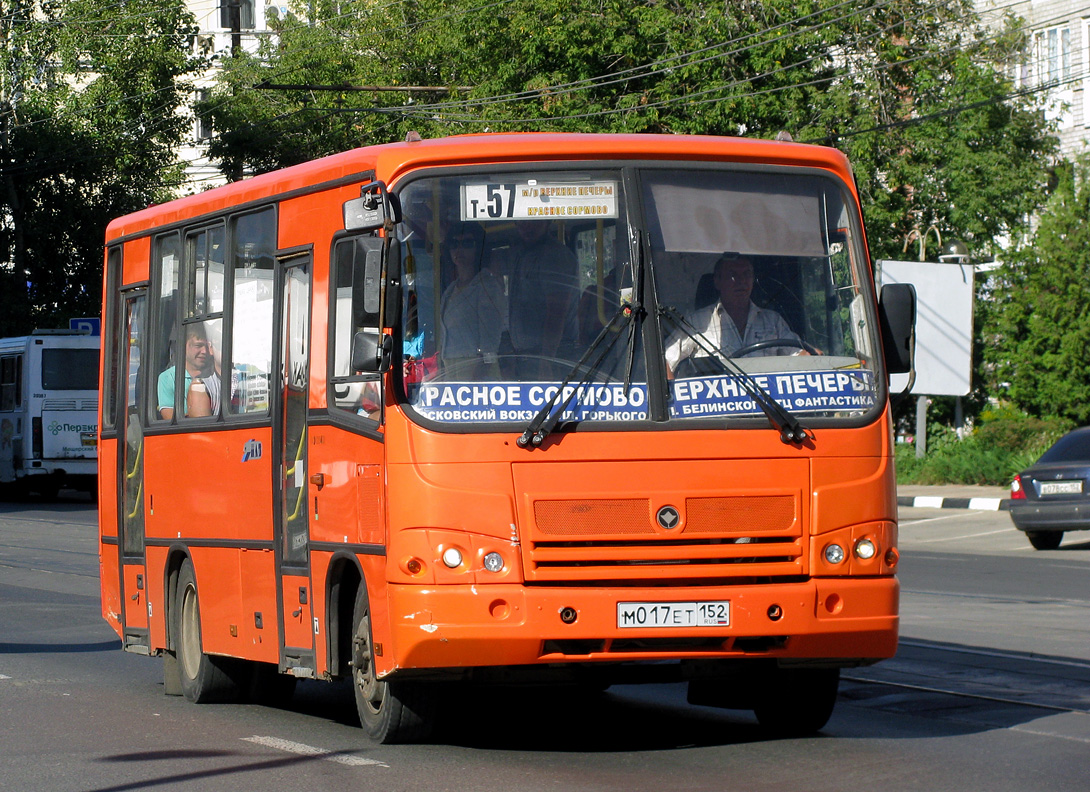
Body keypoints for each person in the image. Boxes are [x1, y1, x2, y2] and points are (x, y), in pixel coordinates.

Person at [664, 253, 805, 377]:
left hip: (769, 405)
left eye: (747, 274)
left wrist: (818, 359)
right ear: (718, 281)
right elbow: (664, 361)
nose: (741, 281)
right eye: (733, 275)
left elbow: (802, 356)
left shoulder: (773, 321)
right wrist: (673, 401)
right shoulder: (697, 323)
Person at [505, 221, 578, 377]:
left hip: (552, 356)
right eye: (521, 222)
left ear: (547, 221)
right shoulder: (519, 253)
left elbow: (556, 312)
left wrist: (547, 361)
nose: (527, 226)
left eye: (533, 221)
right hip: (525, 356)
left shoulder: (555, 255)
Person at [438, 224, 506, 377]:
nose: (459, 250)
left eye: (467, 243)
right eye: (454, 244)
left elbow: (490, 344)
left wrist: (476, 380)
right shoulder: (450, 290)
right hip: (451, 366)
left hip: (477, 370)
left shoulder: (487, 286)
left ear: (480, 249)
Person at [157, 323, 214, 420]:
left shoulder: (215, 374)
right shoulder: (168, 377)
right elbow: (170, 418)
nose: (204, 351)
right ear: (184, 346)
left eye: (207, 346)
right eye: (198, 345)